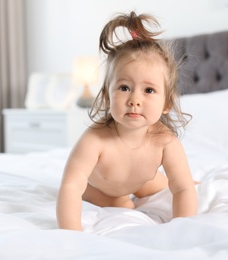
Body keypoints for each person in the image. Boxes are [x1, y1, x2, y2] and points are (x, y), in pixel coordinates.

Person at [56, 11, 197, 231]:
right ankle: (120, 199)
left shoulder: (166, 142)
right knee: (125, 204)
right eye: (124, 88)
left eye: (149, 90)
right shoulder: (95, 139)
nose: (134, 100)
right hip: (102, 189)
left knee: (174, 183)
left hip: (141, 179)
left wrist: (183, 228)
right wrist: (72, 233)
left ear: (167, 103)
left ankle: (143, 187)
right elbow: (71, 187)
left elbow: (183, 189)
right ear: (106, 96)